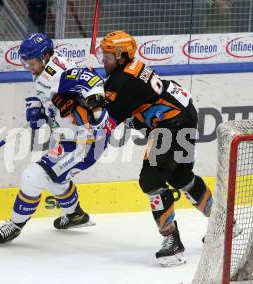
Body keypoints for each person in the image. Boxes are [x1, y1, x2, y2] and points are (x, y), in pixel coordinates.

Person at [97, 31, 213, 266]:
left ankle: (172, 240)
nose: (103, 60)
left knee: (150, 179)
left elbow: (105, 122)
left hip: (171, 123)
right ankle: (226, 225)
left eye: (107, 56)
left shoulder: (121, 81)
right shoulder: (129, 70)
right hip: (183, 115)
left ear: (121, 56)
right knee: (181, 177)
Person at [0, 33, 116, 245]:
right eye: (26, 63)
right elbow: (50, 97)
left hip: (88, 142)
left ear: (46, 55)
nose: (29, 67)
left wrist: (94, 103)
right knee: (56, 176)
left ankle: (15, 223)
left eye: (32, 62)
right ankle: (76, 215)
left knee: (34, 175)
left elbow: (93, 81)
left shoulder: (57, 72)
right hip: (69, 138)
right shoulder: (44, 69)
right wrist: (39, 107)